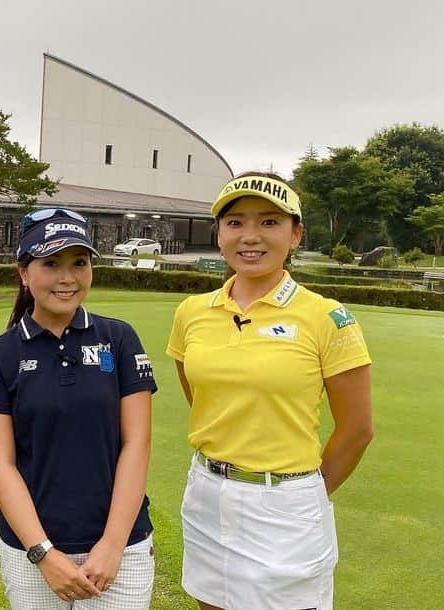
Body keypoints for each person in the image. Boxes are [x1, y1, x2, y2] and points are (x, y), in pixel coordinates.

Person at [166, 171, 374, 610]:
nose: (250, 236)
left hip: (285, 506)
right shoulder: (192, 312)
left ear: (296, 234)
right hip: (206, 492)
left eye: (269, 222)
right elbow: (202, 398)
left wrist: (301, 493)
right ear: (219, 233)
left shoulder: (327, 318)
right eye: (236, 222)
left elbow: (357, 429)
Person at [0, 208, 158, 609]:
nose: (67, 277)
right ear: (24, 272)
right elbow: (0, 463)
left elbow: (137, 444)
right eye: (50, 263)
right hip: (32, 551)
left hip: (121, 548)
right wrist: (43, 552)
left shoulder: (120, 339)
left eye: (79, 262)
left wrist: (112, 545)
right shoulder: (0, 355)